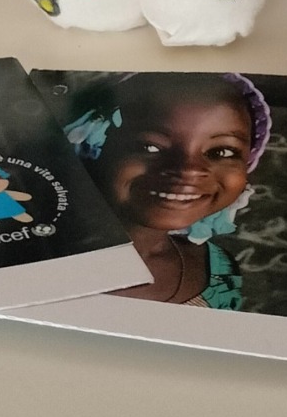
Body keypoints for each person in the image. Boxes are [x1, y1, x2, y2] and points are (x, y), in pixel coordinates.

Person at [64, 73, 271, 308]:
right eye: (149, 147)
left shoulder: (218, 271)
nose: (189, 170)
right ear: (88, 145)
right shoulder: (36, 260)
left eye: (221, 152)